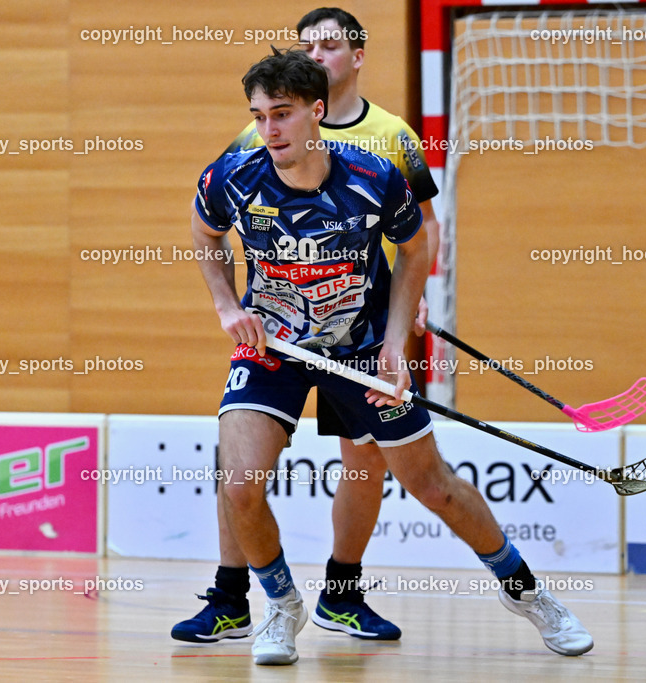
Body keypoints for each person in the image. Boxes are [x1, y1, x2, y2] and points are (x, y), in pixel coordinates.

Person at [189, 48, 594, 665]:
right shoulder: (232, 176)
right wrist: (225, 305)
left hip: (361, 346)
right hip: (274, 346)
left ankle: (529, 595)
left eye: (283, 114)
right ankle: (282, 605)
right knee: (240, 483)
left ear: (316, 112)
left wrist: (396, 344)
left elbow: (414, 249)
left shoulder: (374, 177)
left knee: (433, 486)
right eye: (259, 115)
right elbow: (204, 231)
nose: (269, 130)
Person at [172, 7, 440, 644]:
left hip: (362, 329)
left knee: (364, 462)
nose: (317, 55)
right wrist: (227, 301)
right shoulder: (261, 133)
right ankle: (233, 595)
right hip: (283, 331)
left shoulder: (392, 134)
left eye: (329, 46)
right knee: (237, 465)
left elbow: (423, 231)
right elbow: (209, 213)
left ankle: (343, 595)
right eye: (307, 47)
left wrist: (422, 296)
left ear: (356, 58)